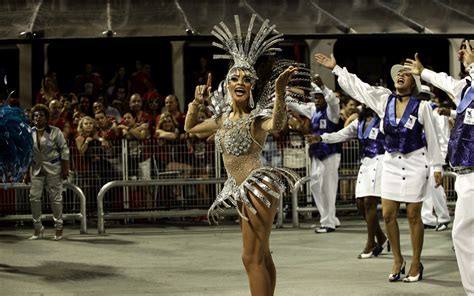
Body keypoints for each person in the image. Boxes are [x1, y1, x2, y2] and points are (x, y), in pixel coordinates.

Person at [184, 15, 300, 296]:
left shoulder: (256, 119)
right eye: (234, 77)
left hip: (257, 186)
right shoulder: (223, 119)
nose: (240, 81)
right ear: (227, 85)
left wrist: (281, 92)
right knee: (261, 254)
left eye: (247, 79)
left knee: (251, 257)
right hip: (238, 188)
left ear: (251, 88)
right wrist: (196, 103)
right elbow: (191, 129)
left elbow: (278, 124)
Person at [315, 53, 443, 283]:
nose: (401, 76)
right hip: (391, 164)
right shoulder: (385, 101)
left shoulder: (422, 107)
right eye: (398, 74)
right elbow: (360, 88)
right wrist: (336, 69)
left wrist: (437, 167)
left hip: (415, 163)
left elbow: (432, 139)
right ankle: (397, 259)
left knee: (414, 216)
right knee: (388, 214)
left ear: (414, 83)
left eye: (406, 74)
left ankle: (416, 261)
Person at [404, 42, 474, 294]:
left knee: (463, 235)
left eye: (466, 48)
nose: (460, 52)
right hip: (464, 173)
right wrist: (423, 72)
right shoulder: (465, 87)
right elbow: (445, 81)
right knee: (464, 236)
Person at [307, 104, 388, 257]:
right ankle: (382, 238)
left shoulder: (384, 120)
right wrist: (321, 137)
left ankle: (371, 243)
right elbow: (340, 134)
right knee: (360, 204)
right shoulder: (359, 122)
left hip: (381, 162)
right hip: (365, 163)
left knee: (369, 202)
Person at [286, 76, 342, 233]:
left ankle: (328, 223)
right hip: (317, 153)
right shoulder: (313, 110)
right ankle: (330, 217)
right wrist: (282, 91)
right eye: (315, 97)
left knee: (328, 187)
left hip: (330, 153)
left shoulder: (332, 112)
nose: (317, 100)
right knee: (316, 186)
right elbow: (295, 105)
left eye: (319, 97)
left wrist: (324, 87)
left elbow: (334, 101)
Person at [24, 104, 70, 241]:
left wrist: (65, 168)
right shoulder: (28, 132)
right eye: (36, 115)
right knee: (33, 197)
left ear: (47, 117)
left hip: (54, 168)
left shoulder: (55, 131)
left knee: (55, 199)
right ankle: (38, 227)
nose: (38, 118)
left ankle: (58, 227)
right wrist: (26, 173)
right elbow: (27, 154)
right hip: (36, 169)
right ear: (32, 118)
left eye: (41, 115)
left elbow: (65, 150)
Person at [417, 85, 451, 231]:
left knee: (435, 185)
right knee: (423, 186)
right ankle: (428, 218)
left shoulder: (437, 112)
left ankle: (443, 217)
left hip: (435, 154)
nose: (421, 98)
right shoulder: (416, 111)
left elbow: (444, 136)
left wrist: (441, 158)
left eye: (424, 96)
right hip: (420, 153)